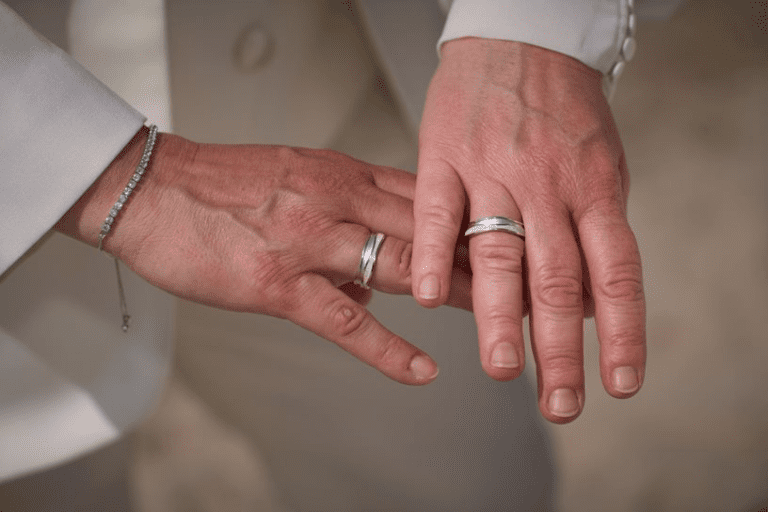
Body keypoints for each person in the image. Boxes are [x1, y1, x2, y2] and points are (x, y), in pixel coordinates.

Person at [0, 0, 682, 509]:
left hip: (344, 164)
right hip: (19, 243)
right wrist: (110, 172)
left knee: (460, 482)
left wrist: (533, 30)